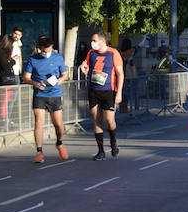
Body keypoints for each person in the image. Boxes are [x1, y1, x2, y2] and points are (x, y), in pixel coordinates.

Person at [23, 35, 69, 163]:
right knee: (39, 122)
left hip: (54, 94)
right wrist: (35, 83)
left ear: (52, 47)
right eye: (43, 51)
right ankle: (39, 151)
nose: (45, 53)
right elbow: (26, 77)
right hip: (40, 95)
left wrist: (60, 80)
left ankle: (59, 143)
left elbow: (65, 74)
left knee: (58, 125)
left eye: (48, 50)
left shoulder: (58, 58)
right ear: (39, 48)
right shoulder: (33, 59)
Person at [79, 30, 124, 160]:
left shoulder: (113, 53)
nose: (91, 43)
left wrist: (119, 92)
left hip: (109, 91)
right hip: (93, 90)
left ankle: (113, 141)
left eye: (94, 41)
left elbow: (120, 74)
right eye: (91, 41)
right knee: (96, 120)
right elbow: (86, 65)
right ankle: (101, 151)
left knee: (109, 121)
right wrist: (83, 67)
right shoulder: (91, 53)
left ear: (102, 41)